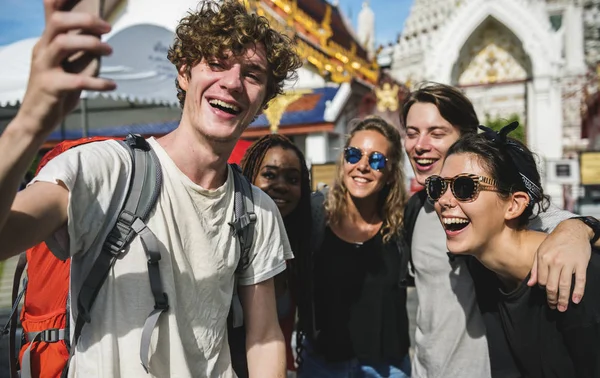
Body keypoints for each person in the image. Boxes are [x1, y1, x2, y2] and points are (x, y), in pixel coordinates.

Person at [0, 0, 302, 377]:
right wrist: (29, 122)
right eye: (217, 63)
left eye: (253, 74)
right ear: (183, 73)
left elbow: (264, 336)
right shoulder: (108, 169)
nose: (233, 82)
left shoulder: (257, 211)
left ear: (262, 100)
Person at [401, 82, 600, 378]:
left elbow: (556, 217)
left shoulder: (507, 209)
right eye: (412, 133)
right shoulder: (417, 210)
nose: (420, 145)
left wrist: (580, 229)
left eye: (437, 132)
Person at [297, 116, 412, 378]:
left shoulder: (404, 221)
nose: (362, 166)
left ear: (391, 172)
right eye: (353, 155)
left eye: (376, 160)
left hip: (388, 368)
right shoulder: (315, 213)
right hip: (323, 365)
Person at [230, 134, 312, 377]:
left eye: (292, 179)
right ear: (249, 176)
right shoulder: (230, 242)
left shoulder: (301, 247)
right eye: (269, 174)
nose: (281, 185)